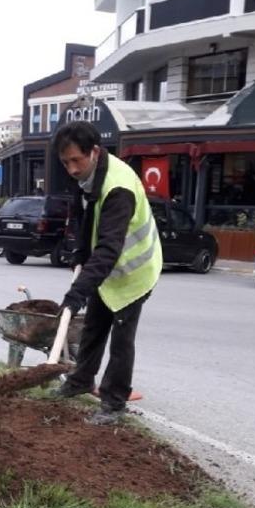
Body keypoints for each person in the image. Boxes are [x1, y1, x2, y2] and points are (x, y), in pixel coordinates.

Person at [53, 121, 162, 426]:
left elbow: (109, 248)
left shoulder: (118, 188)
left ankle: (114, 403)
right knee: (94, 326)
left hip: (134, 271)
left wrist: (77, 293)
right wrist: (79, 254)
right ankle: (79, 381)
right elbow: (86, 218)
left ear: (95, 152)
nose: (72, 169)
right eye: (65, 162)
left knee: (121, 338)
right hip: (107, 269)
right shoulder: (89, 177)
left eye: (77, 160)